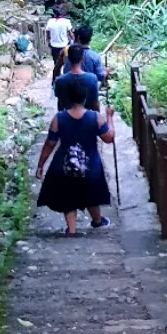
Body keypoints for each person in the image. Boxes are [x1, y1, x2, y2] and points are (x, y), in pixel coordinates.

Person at [34, 76, 114, 235]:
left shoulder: (59, 118)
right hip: (90, 164)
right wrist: (110, 117)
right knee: (89, 189)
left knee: (67, 191)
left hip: (65, 163)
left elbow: (50, 143)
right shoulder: (95, 117)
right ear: (85, 98)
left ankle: (71, 229)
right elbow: (109, 138)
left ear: (67, 98)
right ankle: (97, 221)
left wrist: (40, 165)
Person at [53, 43, 100, 110]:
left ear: (68, 58)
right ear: (82, 58)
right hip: (87, 118)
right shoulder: (92, 79)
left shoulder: (59, 81)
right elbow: (95, 104)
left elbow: (60, 105)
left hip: (67, 118)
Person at [71, 20, 107, 87]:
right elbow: (100, 76)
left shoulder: (69, 54)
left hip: (71, 90)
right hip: (88, 91)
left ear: (78, 37)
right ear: (90, 39)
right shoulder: (95, 56)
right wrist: (106, 72)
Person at [44, 6, 74, 75]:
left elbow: (47, 33)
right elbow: (70, 33)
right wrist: (73, 41)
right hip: (64, 45)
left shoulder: (50, 22)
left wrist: (48, 41)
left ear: (54, 14)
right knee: (66, 62)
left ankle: (57, 77)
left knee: (56, 63)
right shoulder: (66, 22)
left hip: (54, 45)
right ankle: (66, 76)